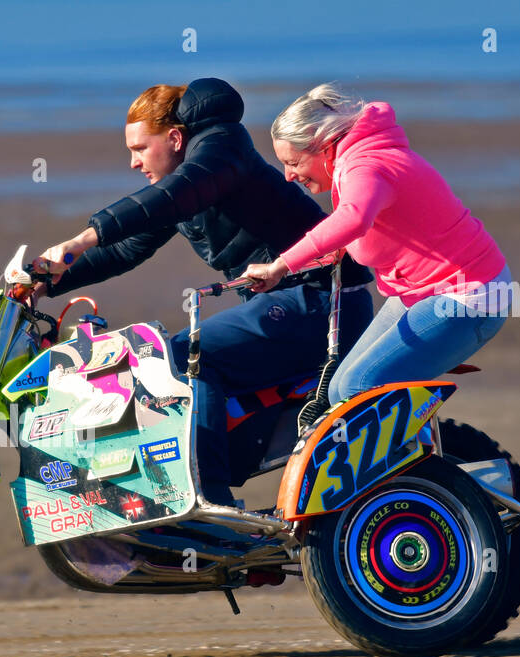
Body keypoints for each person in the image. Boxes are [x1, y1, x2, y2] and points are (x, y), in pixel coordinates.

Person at [28, 77, 374, 508]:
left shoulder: (221, 151)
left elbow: (175, 194)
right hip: (292, 305)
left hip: (321, 303)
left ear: (175, 138)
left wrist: (82, 239)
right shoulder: (186, 186)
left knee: (183, 361)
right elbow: (126, 249)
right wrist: (44, 283)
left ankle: (207, 501)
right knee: (163, 359)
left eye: (140, 149)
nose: (135, 163)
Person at [242, 83, 512, 408]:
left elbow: (353, 220)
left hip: (470, 295)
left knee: (359, 387)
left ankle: (411, 459)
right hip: (421, 292)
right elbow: (360, 231)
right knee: (339, 389)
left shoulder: (366, 166)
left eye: (294, 162)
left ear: (325, 146)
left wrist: (280, 267)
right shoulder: (355, 161)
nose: (287, 175)